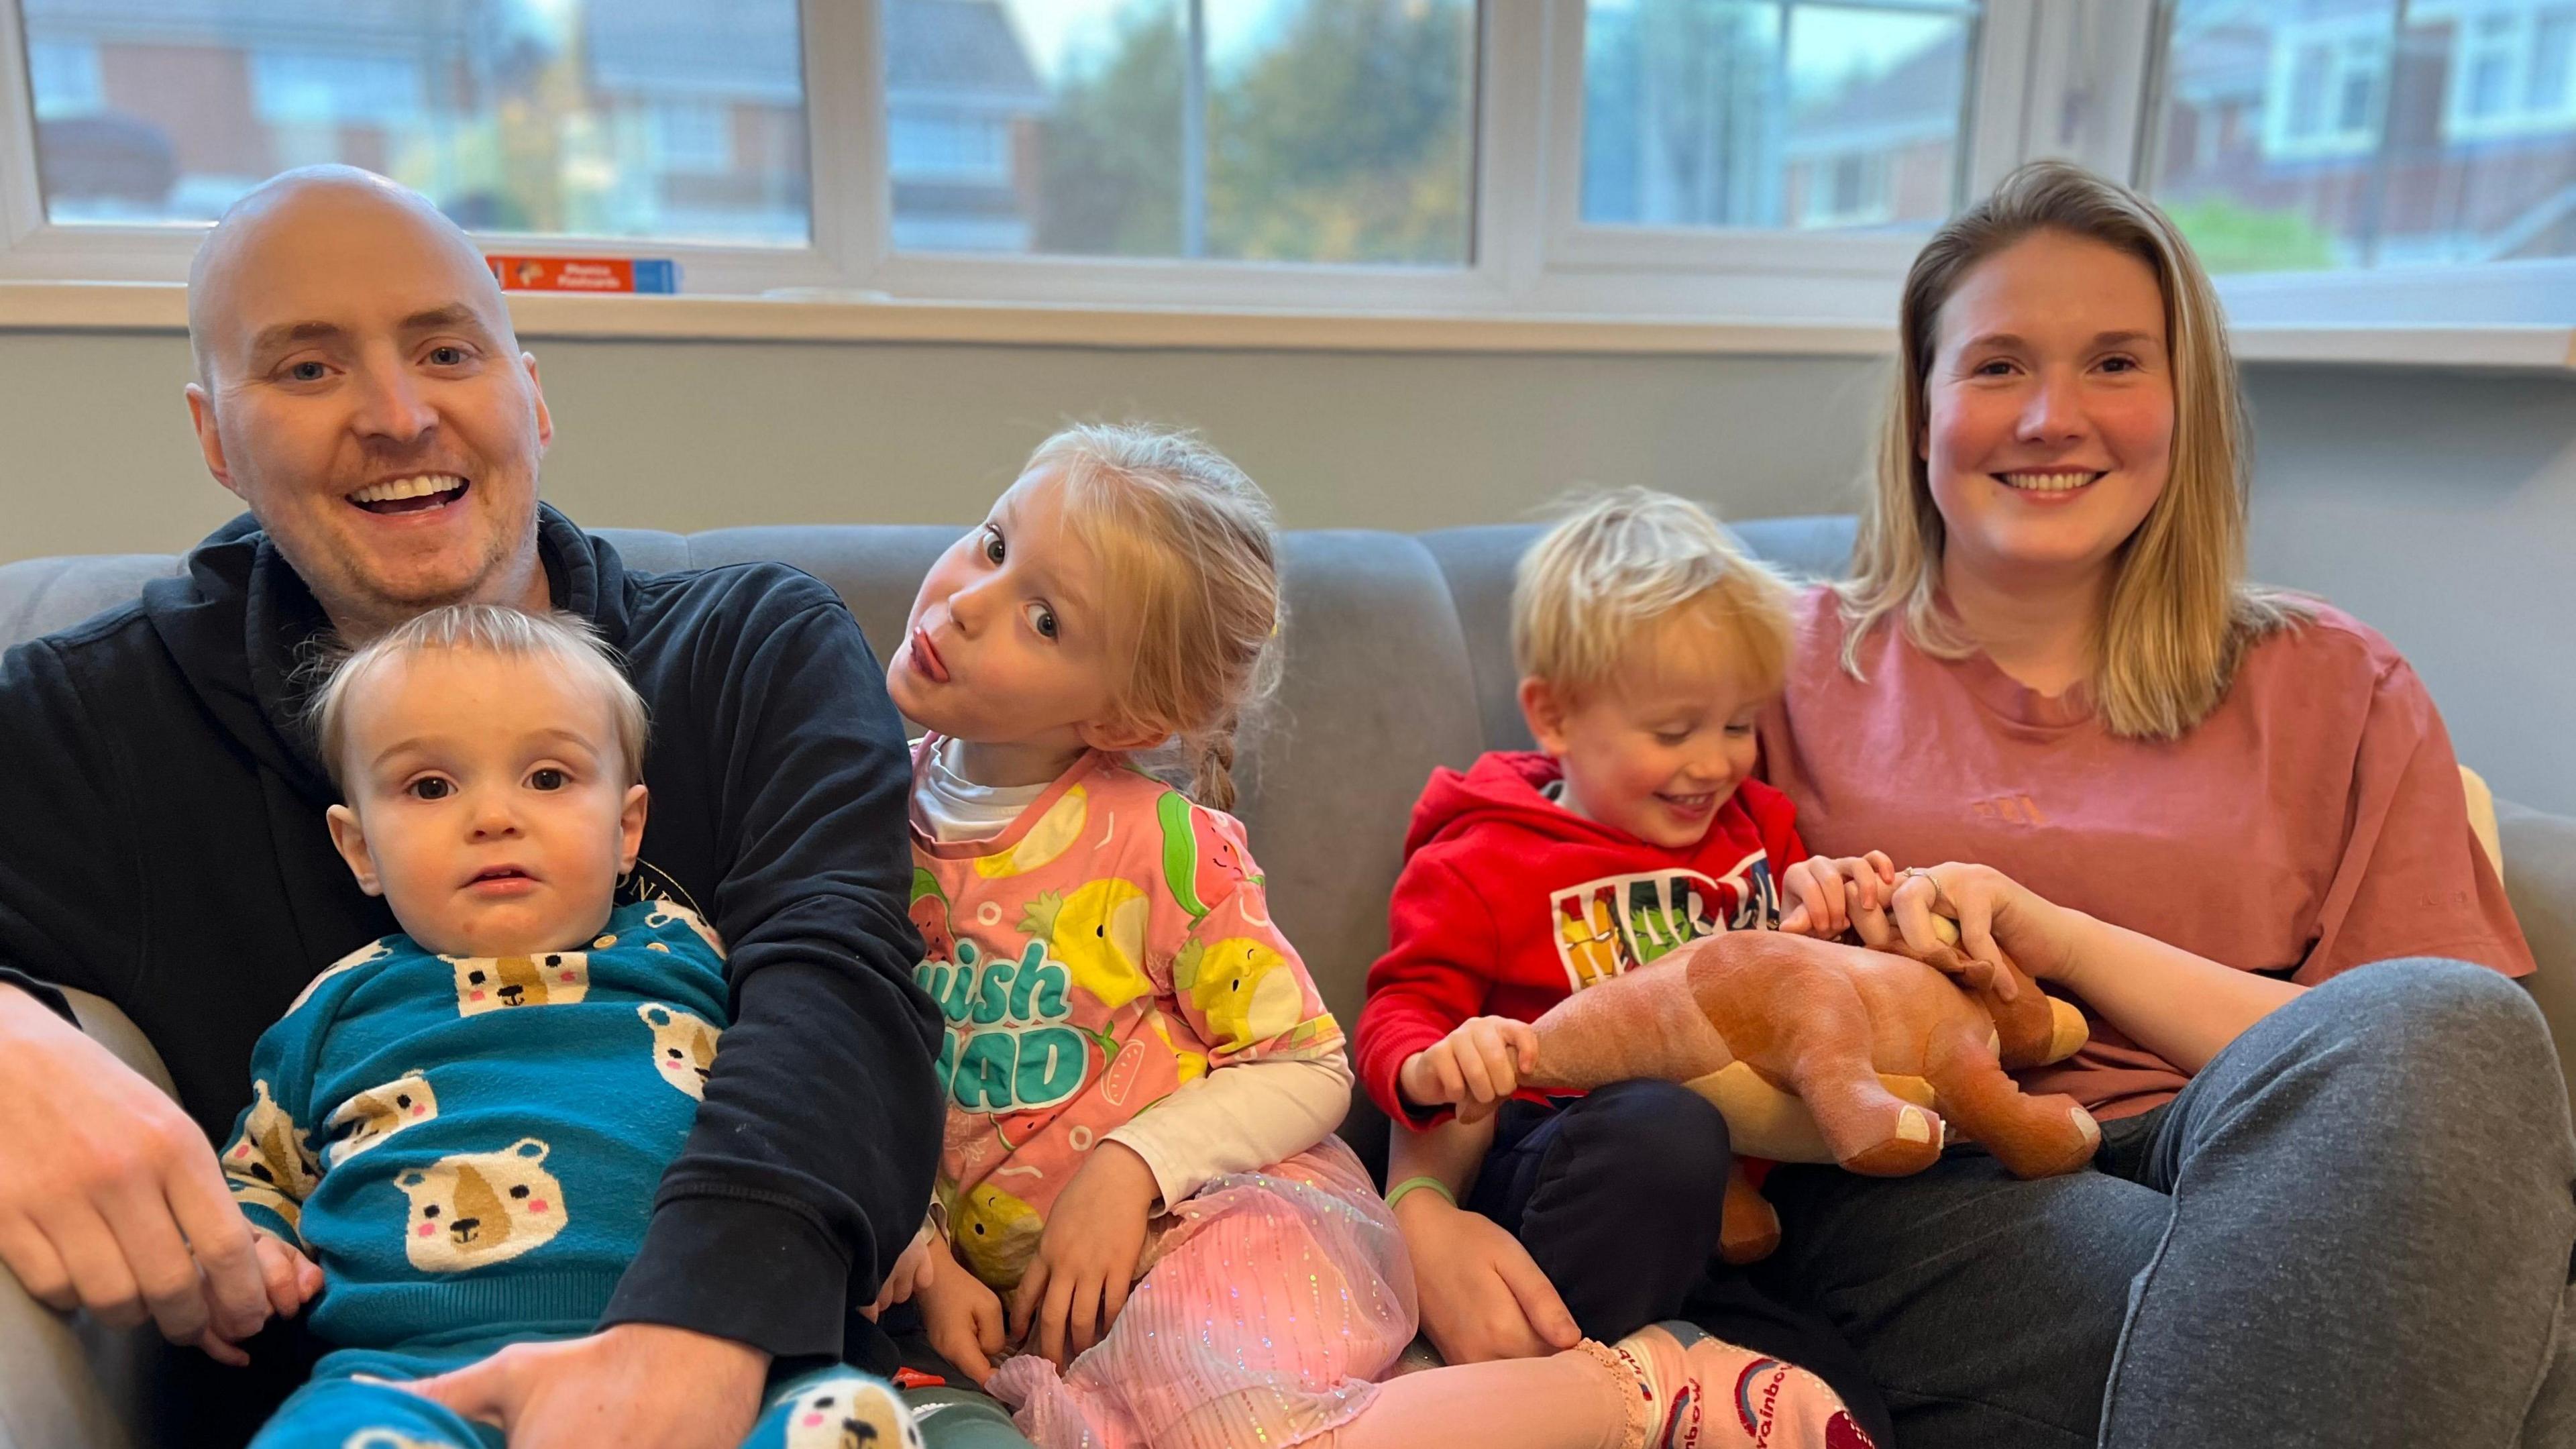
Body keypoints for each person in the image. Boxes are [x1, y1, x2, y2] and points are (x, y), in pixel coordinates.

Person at [0, 167, 941, 1448]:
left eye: (447, 348)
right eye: (306, 369)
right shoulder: (102, 721)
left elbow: (842, 980)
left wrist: (689, 1346)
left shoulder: (750, 646)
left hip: (760, 1378)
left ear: (532, 391)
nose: (396, 416)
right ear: (216, 437)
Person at [1744, 160, 2573, 1448]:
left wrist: (2059, 937)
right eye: (1999, 365)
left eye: (2117, 364)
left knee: (2454, 1028)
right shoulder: (1770, 663)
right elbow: (1624, 950)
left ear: (2185, 406)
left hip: (2265, 1152)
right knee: (2429, 1332)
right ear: (1921, 412)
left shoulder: (2337, 681)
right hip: (1939, 1172)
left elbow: (2417, 1075)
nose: (2051, 418)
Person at [887, 425, 1868, 1449]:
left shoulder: (1162, 846)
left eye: (1045, 620)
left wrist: (1131, 1166)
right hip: (1066, 1308)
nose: (966, 599)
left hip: (1218, 1230)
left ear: (1131, 718)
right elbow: (841, 1059)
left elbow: (1309, 1061)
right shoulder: (860, 808)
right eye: (993, 544)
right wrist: (924, 1253)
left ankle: (1654, 1389)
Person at [209, 604, 921, 1449]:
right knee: (335, 1431)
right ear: (359, 847)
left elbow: (818, 1083)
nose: (494, 817)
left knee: (829, 1407)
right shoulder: (334, 1006)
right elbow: (258, 1167)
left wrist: (900, 1219)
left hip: (714, 1359)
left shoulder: (691, 957)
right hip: (409, 1370)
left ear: (627, 830)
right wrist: (250, 1247)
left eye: (547, 778)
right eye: (430, 787)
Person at [1353, 488, 1892, 1445]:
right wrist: (1436, 1065)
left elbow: (1800, 999)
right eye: (1675, 730)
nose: (1716, 762)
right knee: (1664, 1123)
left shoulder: (1757, 831)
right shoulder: (1482, 857)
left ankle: (1658, 1381)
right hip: (1568, 1178)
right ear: (1554, 717)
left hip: (1733, 1238)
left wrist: (1839, 913)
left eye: (1737, 725)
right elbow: (1404, 1005)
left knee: (1848, 1415)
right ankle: (1570, 1384)